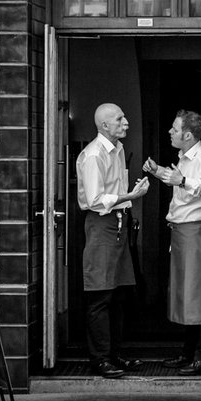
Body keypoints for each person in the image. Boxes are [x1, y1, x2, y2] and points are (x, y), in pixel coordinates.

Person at [143, 109, 201, 376]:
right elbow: (182, 185)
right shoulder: (185, 157)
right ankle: (188, 352)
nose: (170, 132)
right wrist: (159, 173)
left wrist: (184, 180)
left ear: (188, 135)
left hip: (197, 232)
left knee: (199, 294)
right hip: (182, 232)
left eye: (174, 129)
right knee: (187, 295)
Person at [75, 103, 150, 378]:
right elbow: (95, 201)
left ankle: (114, 355)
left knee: (118, 293)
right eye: (120, 119)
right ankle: (99, 359)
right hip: (101, 224)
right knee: (100, 295)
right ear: (104, 125)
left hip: (119, 223)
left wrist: (131, 193)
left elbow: (114, 192)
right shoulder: (94, 154)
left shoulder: (116, 150)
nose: (126, 122)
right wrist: (131, 197)